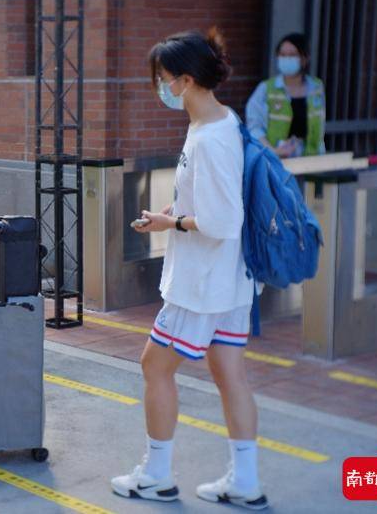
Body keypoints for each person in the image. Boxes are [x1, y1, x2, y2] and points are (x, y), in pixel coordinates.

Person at [111, 29, 268, 510]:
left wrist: (171, 222)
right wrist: (173, 214)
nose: (161, 87)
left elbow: (223, 221)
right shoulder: (219, 123)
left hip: (200, 283)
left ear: (185, 79)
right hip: (228, 280)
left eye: (163, 79)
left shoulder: (210, 138)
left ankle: (157, 474)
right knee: (229, 374)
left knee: (154, 365)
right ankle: (245, 481)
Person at [246, 32, 326, 158]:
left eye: (292, 55)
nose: (286, 59)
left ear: (304, 59)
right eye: (282, 55)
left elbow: (319, 128)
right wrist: (272, 151)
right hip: (276, 162)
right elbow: (254, 128)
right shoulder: (266, 89)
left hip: (311, 161)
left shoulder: (316, 87)